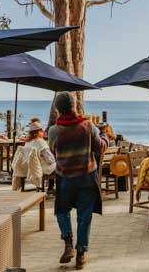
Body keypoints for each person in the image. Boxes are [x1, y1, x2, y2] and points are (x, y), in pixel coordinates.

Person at [48, 92, 109, 269]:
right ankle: (81, 253)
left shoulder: (54, 130)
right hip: (86, 177)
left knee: (62, 210)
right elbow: (100, 149)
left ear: (58, 109)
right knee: (84, 215)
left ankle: (68, 242)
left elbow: (53, 152)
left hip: (65, 177)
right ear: (75, 106)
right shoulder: (88, 126)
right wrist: (104, 134)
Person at [12, 121, 56, 190]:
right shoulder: (41, 143)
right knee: (58, 165)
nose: (43, 132)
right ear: (38, 132)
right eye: (41, 130)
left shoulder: (27, 142)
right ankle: (52, 188)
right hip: (40, 169)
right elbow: (50, 159)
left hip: (28, 169)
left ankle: (48, 187)